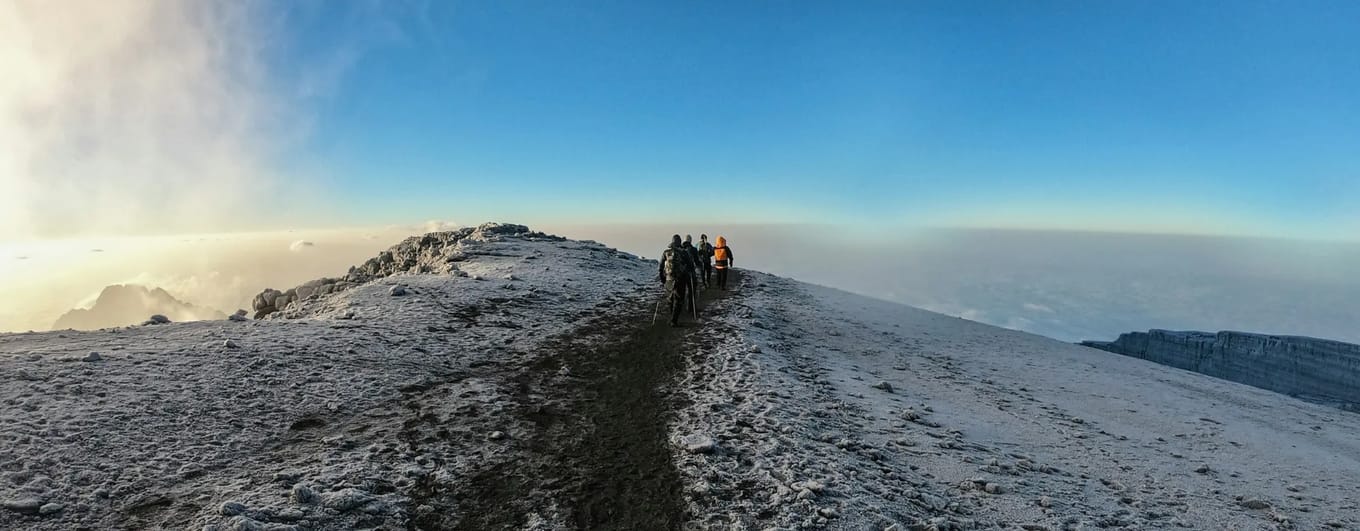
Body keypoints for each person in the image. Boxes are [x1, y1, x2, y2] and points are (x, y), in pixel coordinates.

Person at [658, 234, 696, 326]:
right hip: (680, 278)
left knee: (670, 298)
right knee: (679, 299)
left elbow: (661, 266)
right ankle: (674, 320)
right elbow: (691, 265)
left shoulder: (666, 252)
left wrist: (663, 278)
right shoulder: (683, 252)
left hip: (669, 278)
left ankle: (672, 315)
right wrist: (690, 273)